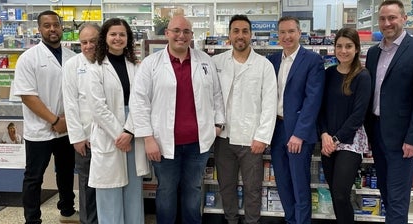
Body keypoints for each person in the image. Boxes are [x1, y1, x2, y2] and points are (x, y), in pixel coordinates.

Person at [129, 15, 225, 224]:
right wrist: (147, 138)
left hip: (198, 143)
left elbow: (216, 96)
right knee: (166, 192)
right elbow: (139, 102)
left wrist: (217, 125)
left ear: (192, 35)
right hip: (164, 144)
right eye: (176, 31)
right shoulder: (150, 64)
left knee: (193, 192)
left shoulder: (204, 61)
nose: (181, 36)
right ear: (167, 34)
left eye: (186, 32)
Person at [365, 0, 413, 223]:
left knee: (397, 199)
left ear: (404, 19)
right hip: (377, 133)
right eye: (383, 19)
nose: (387, 23)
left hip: (403, 139)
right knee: (385, 192)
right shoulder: (373, 53)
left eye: (392, 18)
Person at [12, 10, 79, 224]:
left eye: (56, 25)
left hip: (66, 128)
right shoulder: (28, 58)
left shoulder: (72, 57)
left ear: (61, 28)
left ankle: (67, 210)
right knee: (34, 177)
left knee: (66, 172)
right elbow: (27, 96)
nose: (52, 29)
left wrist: (66, 121)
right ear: (39, 29)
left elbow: (78, 92)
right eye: (47, 25)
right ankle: (32, 219)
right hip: (40, 129)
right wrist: (54, 120)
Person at [212, 14, 277, 224]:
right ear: (229, 35)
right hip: (223, 137)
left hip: (251, 141)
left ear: (251, 35)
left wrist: (262, 137)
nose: (240, 35)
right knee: (226, 186)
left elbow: (269, 105)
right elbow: (210, 98)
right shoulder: (216, 62)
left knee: (253, 188)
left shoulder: (263, 65)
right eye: (236, 31)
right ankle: (231, 220)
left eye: (245, 31)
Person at [86, 18, 149, 224]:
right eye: (113, 34)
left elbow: (142, 101)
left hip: (132, 132)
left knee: (132, 192)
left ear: (128, 38)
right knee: (109, 192)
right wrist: (119, 134)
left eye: (122, 34)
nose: (118, 38)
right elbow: (98, 108)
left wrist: (129, 132)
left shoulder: (136, 66)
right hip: (109, 135)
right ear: (105, 37)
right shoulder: (95, 68)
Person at [267, 16, 325, 224]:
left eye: (291, 31)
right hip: (276, 129)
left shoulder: (312, 60)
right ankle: (291, 220)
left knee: (300, 184)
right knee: (282, 182)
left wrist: (299, 134)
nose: (287, 36)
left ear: (300, 33)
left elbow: (313, 100)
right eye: (282, 32)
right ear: (277, 36)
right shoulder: (272, 61)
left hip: (298, 132)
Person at [318, 27, 371, 224]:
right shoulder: (329, 73)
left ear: (357, 48)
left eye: (348, 46)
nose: (343, 50)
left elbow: (358, 116)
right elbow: (320, 108)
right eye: (339, 46)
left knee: (341, 194)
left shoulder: (362, 76)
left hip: (350, 142)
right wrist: (324, 133)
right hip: (327, 141)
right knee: (334, 193)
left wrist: (335, 139)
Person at [62, 23, 100, 224]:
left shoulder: (108, 61)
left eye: (92, 41)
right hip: (84, 137)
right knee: (86, 185)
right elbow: (70, 103)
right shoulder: (72, 65)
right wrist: (77, 137)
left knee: (108, 185)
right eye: (83, 42)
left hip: (109, 137)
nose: (88, 46)